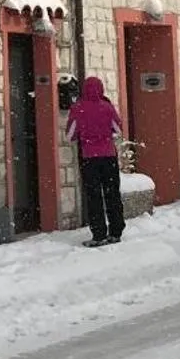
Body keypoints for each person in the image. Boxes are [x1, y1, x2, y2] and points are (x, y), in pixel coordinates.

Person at [66, 75, 126, 246]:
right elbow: (118, 130)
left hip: (89, 157)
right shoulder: (107, 107)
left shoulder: (78, 108)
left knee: (94, 196)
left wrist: (85, 134)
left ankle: (98, 233)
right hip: (108, 155)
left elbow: (70, 135)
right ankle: (116, 231)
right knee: (112, 193)